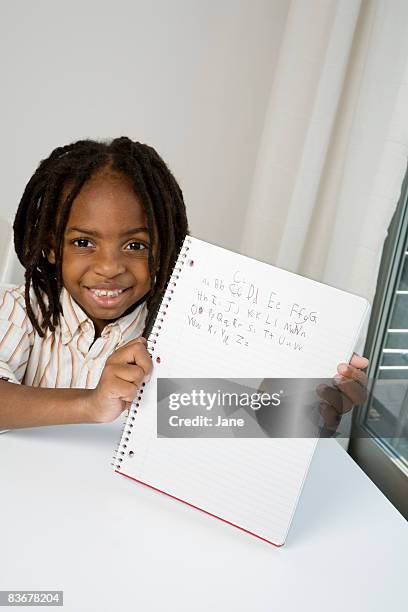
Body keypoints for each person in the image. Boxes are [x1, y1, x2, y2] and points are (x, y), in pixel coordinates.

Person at [0, 136, 368, 430]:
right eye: (84, 242)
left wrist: (307, 409)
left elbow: (234, 430)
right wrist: (91, 404)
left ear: (165, 249)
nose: (110, 267)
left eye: (136, 245)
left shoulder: (182, 331)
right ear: (51, 247)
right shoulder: (22, 309)